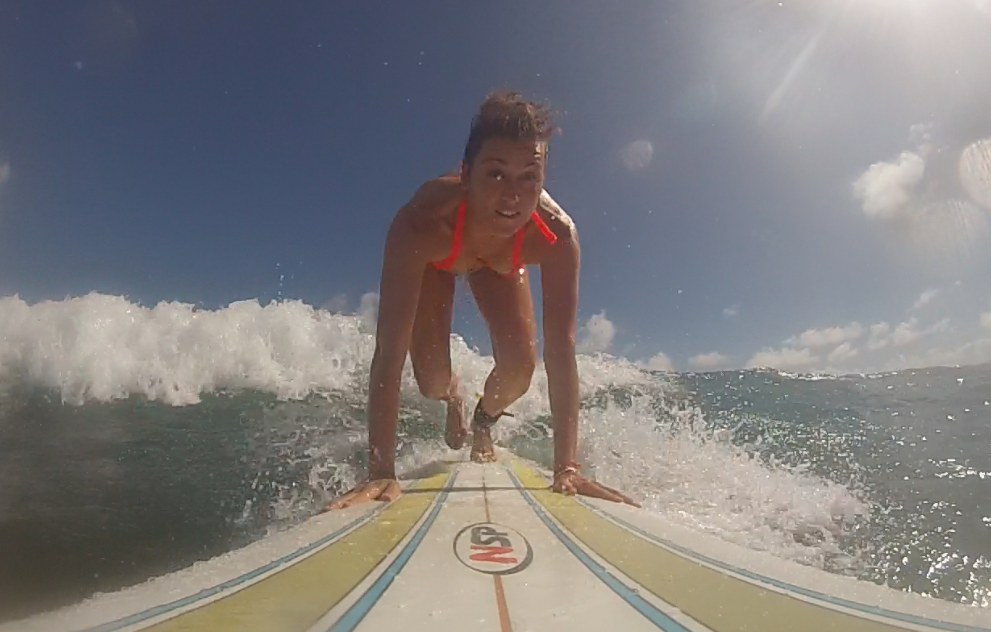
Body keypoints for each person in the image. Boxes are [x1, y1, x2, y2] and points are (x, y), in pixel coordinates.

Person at [325, 91, 639, 511]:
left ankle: (483, 422)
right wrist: (381, 470)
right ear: (466, 173)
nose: (513, 196)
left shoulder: (556, 236)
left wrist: (567, 467)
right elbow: (389, 350)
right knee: (431, 380)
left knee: (520, 370)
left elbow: (561, 352)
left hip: (502, 264)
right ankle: (453, 396)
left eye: (529, 177)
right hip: (440, 259)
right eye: (496, 174)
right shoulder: (420, 224)